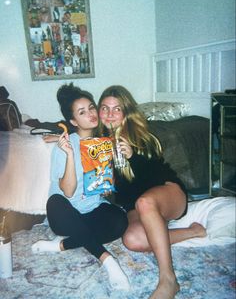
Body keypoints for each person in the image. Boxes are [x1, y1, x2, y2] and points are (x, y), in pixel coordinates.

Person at [97, 85, 206, 299]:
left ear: (126, 113)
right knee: (132, 240)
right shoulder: (97, 145)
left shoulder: (141, 137)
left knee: (145, 202)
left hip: (168, 194)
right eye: (104, 108)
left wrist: (133, 157)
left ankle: (168, 280)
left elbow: (155, 175)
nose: (110, 114)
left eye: (116, 109)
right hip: (134, 206)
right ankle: (193, 232)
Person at [31, 83, 130, 291]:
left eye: (92, 108)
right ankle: (107, 260)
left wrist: (111, 170)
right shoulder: (64, 146)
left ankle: (61, 245)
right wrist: (69, 155)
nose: (91, 114)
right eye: (82, 112)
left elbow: (106, 187)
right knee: (56, 202)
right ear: (74, 121)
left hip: (92, 209)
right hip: (65, 213)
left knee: (120, 221)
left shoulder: (103, 143)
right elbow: (67, 191)